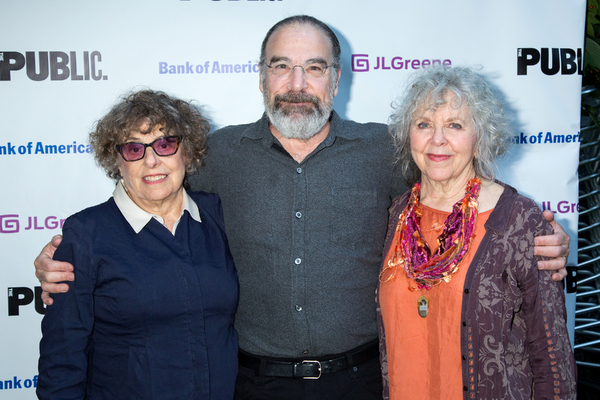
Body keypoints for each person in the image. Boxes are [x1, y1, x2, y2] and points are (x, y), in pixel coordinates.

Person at [35, 16, 571, 400]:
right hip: (249, 384)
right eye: (282, 67)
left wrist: (537, 239)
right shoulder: (214, 155)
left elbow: (454, 182)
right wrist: (66, 254)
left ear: (337, 80)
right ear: (262, 75)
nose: (297, 85)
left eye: (314, 68)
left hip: (361, 381)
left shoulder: (386, 150)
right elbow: (147, 182)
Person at [377, 67, 576, 399]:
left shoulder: (519, 220)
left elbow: (552, 359)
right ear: (407, 134)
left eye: (455, 125)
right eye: (424, 124)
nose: (437, 139)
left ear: (481, 136)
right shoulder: (396, 214)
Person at [37, 90, 239, 399]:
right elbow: (62, 358)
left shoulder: (215, 215)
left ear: (185, 151)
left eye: (165, 143)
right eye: (134, 149)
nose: (152, 160)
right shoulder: (87, 233)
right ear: (117, 161)